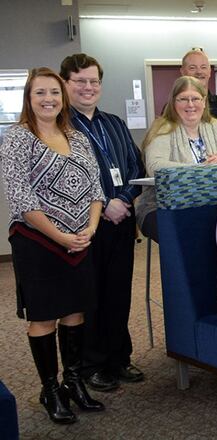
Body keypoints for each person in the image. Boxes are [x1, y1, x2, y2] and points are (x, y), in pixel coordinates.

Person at [0, 67, 105, 424]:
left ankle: (73, 381)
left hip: (80, 242)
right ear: (29, 99)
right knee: (44, 316)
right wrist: (60, 237)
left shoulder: (76, 136)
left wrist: (89, 230)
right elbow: (21, 198)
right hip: (38, 244)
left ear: (63, 98)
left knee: (75, 312)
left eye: (55, 93)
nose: (49, 99)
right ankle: (50, 389)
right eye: (40, 93)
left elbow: (95, 189)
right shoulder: (17, 139)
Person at [59, 53, 145, 393]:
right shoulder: (61, 126)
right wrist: (104, 204)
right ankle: (92, 365)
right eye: (79, 81)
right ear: (66, 84)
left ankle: (118, 358)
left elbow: (135, 167)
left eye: (93, 81)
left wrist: (123, 200)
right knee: (90, 296)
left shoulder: (114, 123)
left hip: (121, 221)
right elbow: (67, 178)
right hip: (85, 225)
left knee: (119, 292)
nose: (87, 87)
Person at [135, 76, 217, 242]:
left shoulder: (213, 126)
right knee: (191, 232)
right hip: (161, 205)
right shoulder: (162, 127)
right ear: (173, 102)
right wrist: (200, 168)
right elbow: (156, 166)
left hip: (209, 202)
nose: (190, 104)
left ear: (204, 102)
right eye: (183, 99)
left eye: (195, 98)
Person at [180, 48, 217, 131]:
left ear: (210, 71)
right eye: (192, 68)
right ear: (182, 72)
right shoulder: (173, 107)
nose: (199, 72)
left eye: (203, 67)